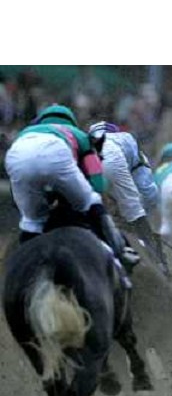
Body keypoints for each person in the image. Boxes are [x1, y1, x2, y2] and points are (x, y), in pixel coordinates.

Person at [4, 104, 139, 276]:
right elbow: (97, 183)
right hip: (57, 153)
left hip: (17, 155)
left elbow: (18, 193)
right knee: (91, 200)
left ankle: (19, 267)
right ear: (71, 122)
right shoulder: (79, 135)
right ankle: (121, 252)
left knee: (32, 222)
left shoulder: (26, 132)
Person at [89, 121, 168, 275]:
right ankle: (158, 261)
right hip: (112, 160)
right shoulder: (126, 138)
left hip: (88, 158)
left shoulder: (86, 140)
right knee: (134, 210)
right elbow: (148, 191)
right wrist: (140, 217)